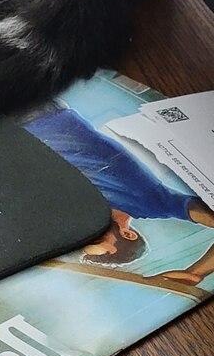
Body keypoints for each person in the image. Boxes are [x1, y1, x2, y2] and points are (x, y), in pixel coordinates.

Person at [25, 106, 214, 287]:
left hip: (11, 135)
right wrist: (197, 273)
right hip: (37, 113)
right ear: (127, 234)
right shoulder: (151, 202)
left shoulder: (70, 210)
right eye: (98, 239)